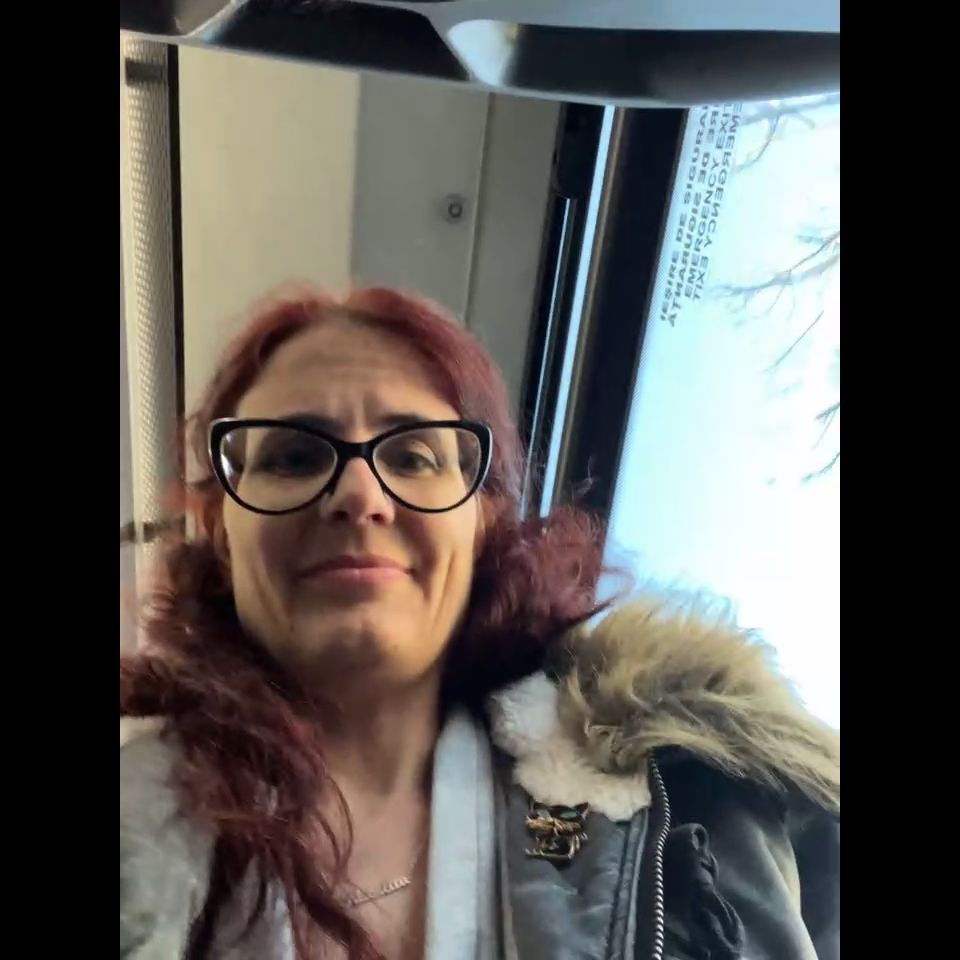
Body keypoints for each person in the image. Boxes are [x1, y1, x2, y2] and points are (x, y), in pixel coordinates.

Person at [120, 286, 839, 960]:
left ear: (483, 523)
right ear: (221, 528)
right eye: (295, 457)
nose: (358, 494)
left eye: (414, 456)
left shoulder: (692, 802)